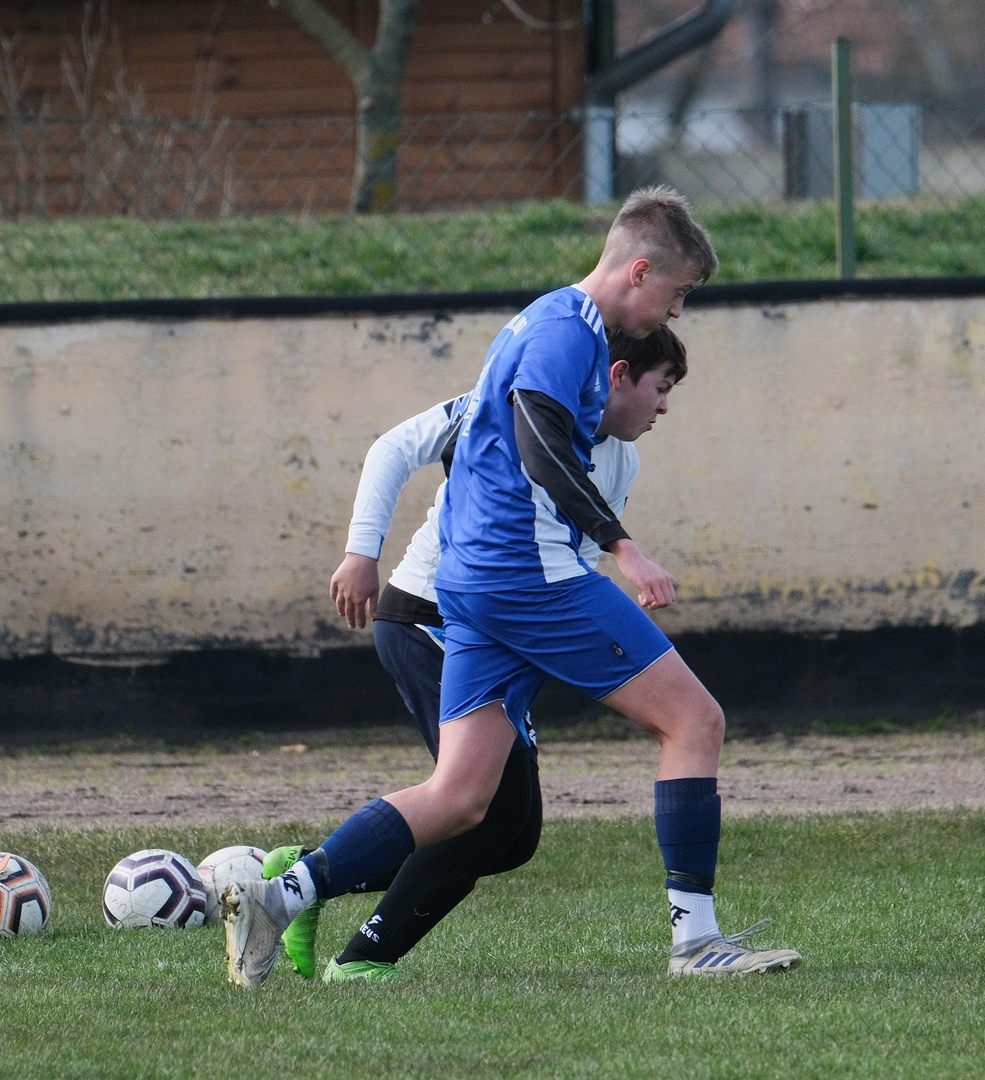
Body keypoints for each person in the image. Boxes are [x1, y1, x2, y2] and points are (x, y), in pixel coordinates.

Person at [224, 185, 801, 987]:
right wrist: (623, 548)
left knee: (462, 797)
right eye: (678, 293)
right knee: (694, 721)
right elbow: (537, 439)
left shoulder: (542, 323)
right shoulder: (569, 333)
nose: (677, 310)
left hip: (471, 584)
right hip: (528, 575)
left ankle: (279, 896)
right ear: (640, 272)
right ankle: (697, 943)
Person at [259, 326, 688, 984]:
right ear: (617, 373)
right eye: (662, 387)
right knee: (480, 813)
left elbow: (564, 568)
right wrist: (361, 551)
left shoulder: (621, 461)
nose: (665, 407)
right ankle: (361, 957)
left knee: (514, 837)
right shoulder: (505, 404)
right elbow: (392, 447)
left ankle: (311, 872)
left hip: (505, 636)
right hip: (430, 616)